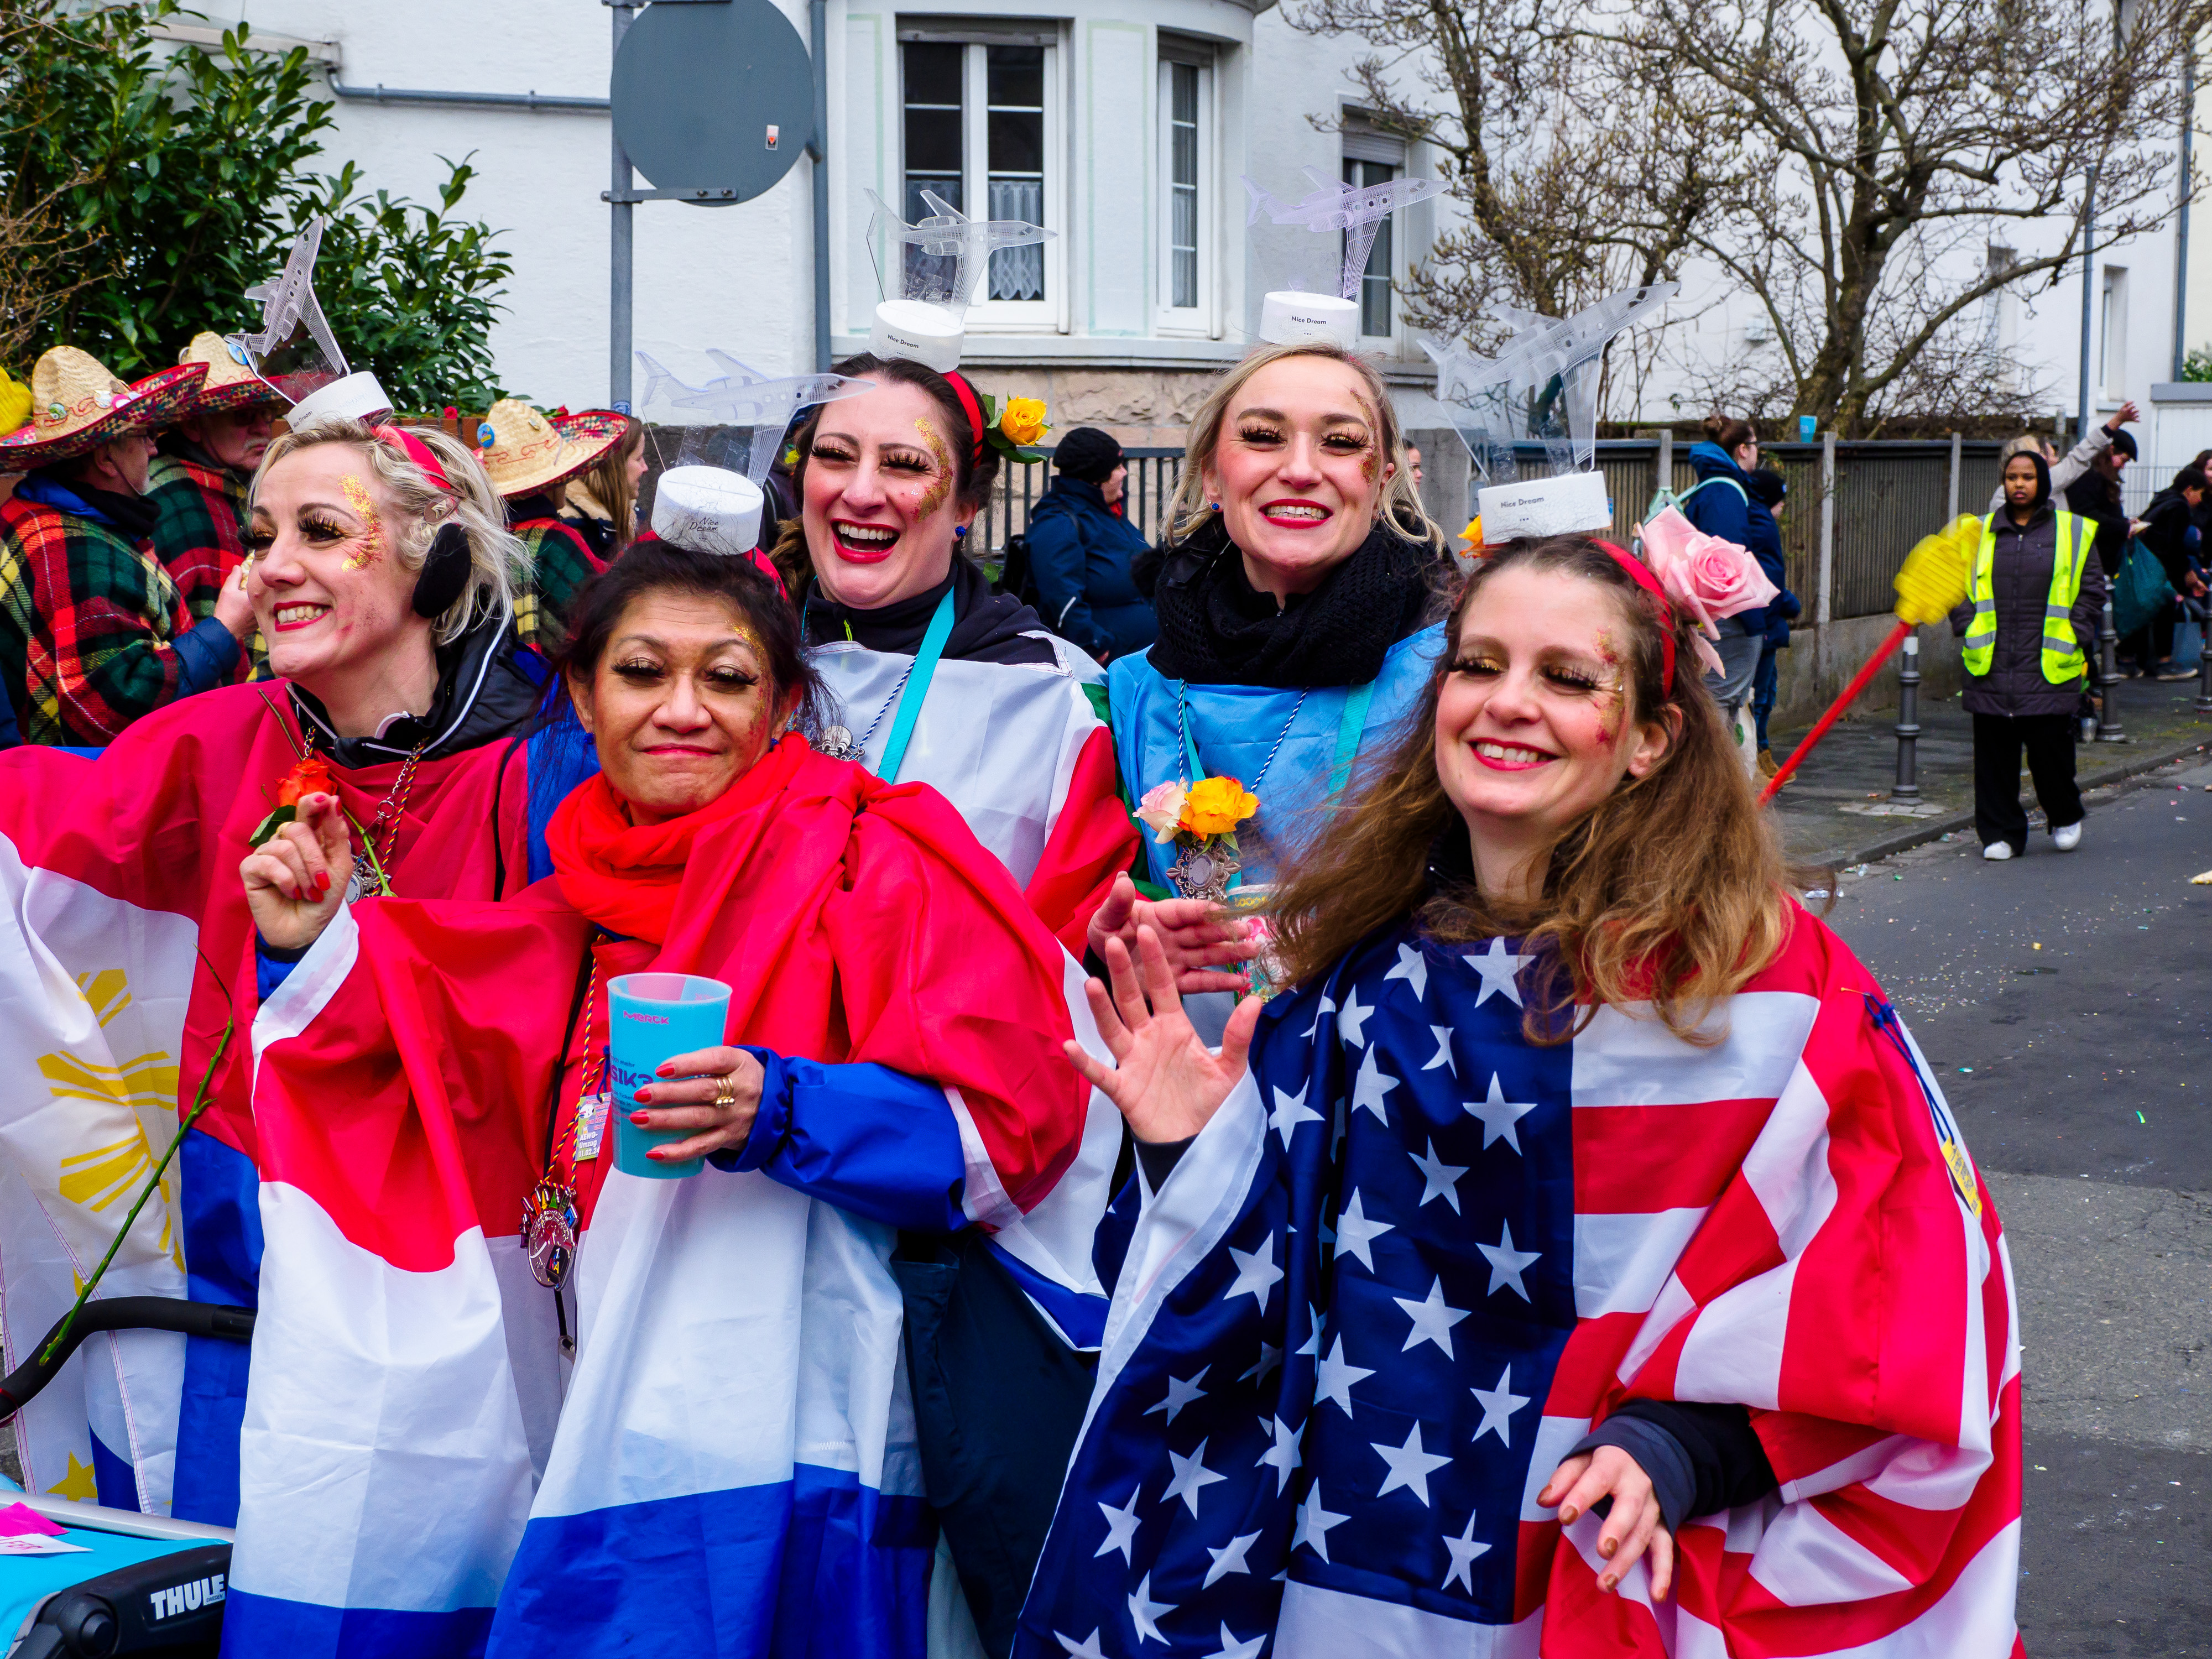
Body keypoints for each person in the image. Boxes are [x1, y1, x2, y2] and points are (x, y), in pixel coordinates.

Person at [1024, 533, 2021, 1657]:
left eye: (1566, 677)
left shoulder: (1770, 992)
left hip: (1620, 1574)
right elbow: (1268, 1297)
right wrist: (1188, 1152)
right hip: (1374, 1579)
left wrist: (1681, 1452)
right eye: (1479, 664)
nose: (1507, 703)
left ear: (1650, 739)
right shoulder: (1360, 976)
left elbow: (1898, 1305)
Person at [228, 539, 1092, 1652]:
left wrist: (782, 1110)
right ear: (585, 698)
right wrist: (310, 948)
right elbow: (417, 1054)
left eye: (725, 678)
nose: (682, 710)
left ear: (783, 706)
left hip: (787, 1424)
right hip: (586, 1407)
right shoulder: (571, 892)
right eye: (641, 672)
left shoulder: (875, 855)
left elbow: (1006, 1134)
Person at [0, 412, 546, 1524]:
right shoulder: (218, 738)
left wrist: (339, 952)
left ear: (437, 561)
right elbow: (42, 821)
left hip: (468, 1276)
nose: (270, 570)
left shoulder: (550, 765)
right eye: (262, 536)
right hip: (242, 1250)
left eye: (321, 531)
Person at [1106, 342, 1447, 911]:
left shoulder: (1455, 677)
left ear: (1381, 485)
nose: (1300, 470)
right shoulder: (1130, 693)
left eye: (1341, 442)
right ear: (1212, 477)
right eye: (1264, 436)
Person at [0, 346, 247, 746]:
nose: (154, 447)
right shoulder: (68, 549)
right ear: (106, 458)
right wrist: (225, 630)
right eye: (143, 435)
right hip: (79, 778)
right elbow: (109, 709)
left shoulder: (51, 516)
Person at [1952, 448, 2104, 860]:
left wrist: (2076, 632)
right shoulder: (1977, 531)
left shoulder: (2072, 531)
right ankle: (2000, 834)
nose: (2019, 484)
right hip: (1991, 666)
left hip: (2049, 665)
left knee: (2051, 756)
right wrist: (1967, 625)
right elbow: (1957, 587)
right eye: (2012, 477)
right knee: (1994, 761)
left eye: (2028, 477)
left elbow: (2092, 589)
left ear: (2043, 482)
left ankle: (2065, 814)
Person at [145, 331, 285, 624]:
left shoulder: (252, 485)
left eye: (267, 413)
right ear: (194, 425)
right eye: (243, 415)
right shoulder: (165, 496)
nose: (262, 428)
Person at [479, 398, 625, 649]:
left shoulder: (487, 534)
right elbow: (603, 609)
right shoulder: (553, 538)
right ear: (553, 481)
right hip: (546, 670)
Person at [1025, 425, 1158, 662]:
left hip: (1145, 658)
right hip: (1109, 665)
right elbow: (1060, 598)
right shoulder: (1058, 522)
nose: (1124, 473)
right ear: (1095, 479)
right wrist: (1096, 646)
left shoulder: (1106, 513)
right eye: (1116, 467)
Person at [1681, 413, 1765, 772]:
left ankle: (1713, 791)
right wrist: (1753, 620)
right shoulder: (1725, 492)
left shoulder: (1716, 487)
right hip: (1731, 619)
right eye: (1756, 446)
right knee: (1717, 709)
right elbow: (1730, 564)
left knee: (1719, 707)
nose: (1758, 453)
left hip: (1722, 617)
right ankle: (1708, 792)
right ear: (1743, 449)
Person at [2126, 464, 2208, 677]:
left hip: (2143, 565)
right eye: (2200, 494)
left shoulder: (2162, 499)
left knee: (2145, 611)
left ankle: (2133, 661)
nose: (2200, 500)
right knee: (2166, 607)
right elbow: (2174, 545)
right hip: (2160, 568)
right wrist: (2186, 574)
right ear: (2189, 490)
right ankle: (2165, 663)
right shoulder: (2180, 507)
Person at [1744, 466, 1800, 774]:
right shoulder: (1761, 524)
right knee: (1760, 697)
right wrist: (1788, 603)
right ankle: (1758, 757)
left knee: (1766, 694)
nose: (1783, 507)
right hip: (1764, 626)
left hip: (1768, 624)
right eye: (1780, 501)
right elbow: (1766, 578)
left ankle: (1760, 753)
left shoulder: (1760, 521)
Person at [1985, 401, 2136, 513]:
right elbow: (2079, 457)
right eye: (2043, 454)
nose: (2053, 460)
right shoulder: (2047, 482)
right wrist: (2116, 422)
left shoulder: (2000, 495)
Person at [560, 411, 646, 562]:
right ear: (613, 466)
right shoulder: (570, 534)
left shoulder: (636, 519)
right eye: (639, 459)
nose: (645, 468)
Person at [2063, 425, 2133, 578]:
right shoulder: (2088, 478)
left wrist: (2126, 523)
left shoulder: (2098, 478)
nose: (2122, 467)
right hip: (2091, 564)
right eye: (2123, 460)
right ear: (2111, 451)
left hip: (2100, 563)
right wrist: (2123, 527)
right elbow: (2088, 516)